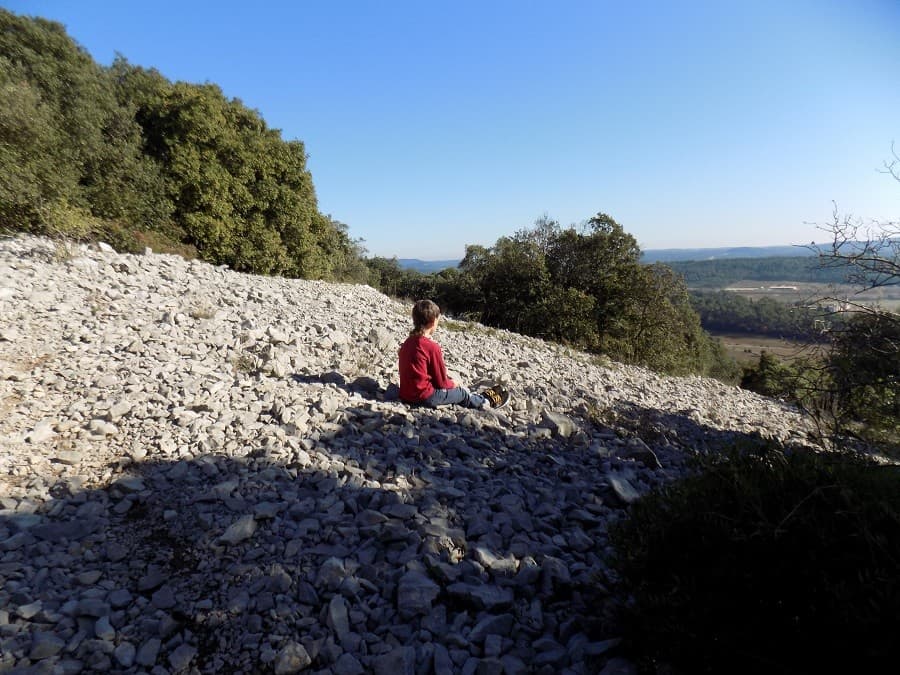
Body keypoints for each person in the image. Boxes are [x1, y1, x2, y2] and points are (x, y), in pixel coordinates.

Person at [398, 299, 509, 409]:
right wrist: (453, 384)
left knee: (453, 390)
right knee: (461, 393)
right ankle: (485, 402)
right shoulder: (432, 347)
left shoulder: (408, 342)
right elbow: (441, 382)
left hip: (405, 394)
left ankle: (477, 397)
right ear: (432, 322)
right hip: (424, 397)